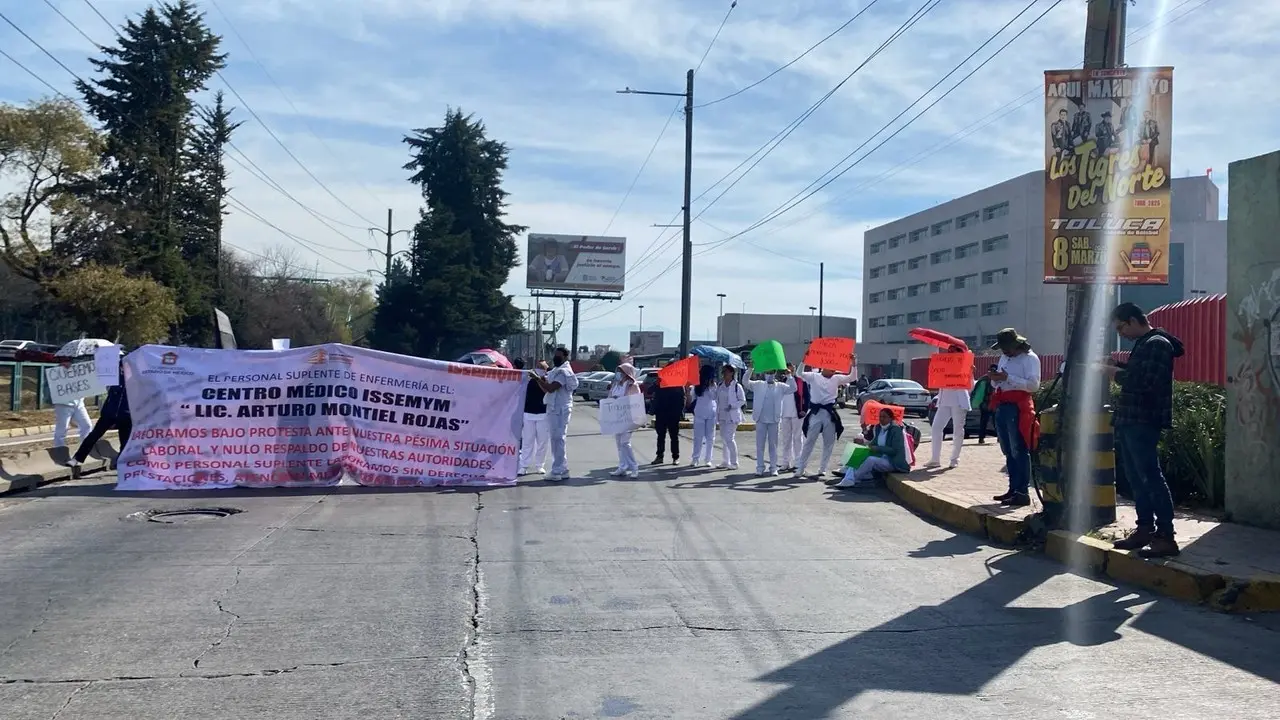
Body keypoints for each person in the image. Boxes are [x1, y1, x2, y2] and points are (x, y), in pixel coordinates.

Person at [1103, 302, 1185, 558]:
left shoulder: (1157, 344)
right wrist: (1117, 366)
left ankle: (1165, 535)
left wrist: (1113, 373)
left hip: (1143, 420)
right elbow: (1139, 373)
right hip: (1131, 419)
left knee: (1150, 477)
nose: (1121, 334)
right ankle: (1145, 528)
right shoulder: (1145, 344)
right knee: (1137, 478)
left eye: (1120, 328)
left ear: (1132, 320)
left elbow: (1145, 382)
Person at [988, 329, 1041, 507]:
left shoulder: (1030, 359)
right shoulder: (1004, 358)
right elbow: (999, 382)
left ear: (1015, 344)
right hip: (1003, 403)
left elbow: (1033, 385)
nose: (1004, 352)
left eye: (1006, 348)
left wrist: (1008, 377)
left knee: (1019, 449)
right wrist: (995, 379)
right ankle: (1013, 488)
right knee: (1008, 450)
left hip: (1019, 406)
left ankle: (1022, 491)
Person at [793, 358, 857, 478]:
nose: (833, 370)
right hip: (816, 413)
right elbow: (799, 374)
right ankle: (800, 468)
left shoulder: (836, 378)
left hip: (829, 413)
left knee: (829, 442)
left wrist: (853, 364)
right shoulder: (814, 376)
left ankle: (822, 468)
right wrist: (804, 361)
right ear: (824, 367)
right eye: (831, 367)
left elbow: (852, 377)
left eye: (834, 368)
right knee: (809, 441)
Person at [70, 358, 131, 467]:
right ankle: (77, 458)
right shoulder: (113, 378)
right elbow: (96, 375)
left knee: (125, 441)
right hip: (109, 413)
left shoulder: (137, 381)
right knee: (93, 436)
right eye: (122, 366)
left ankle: (120, 463)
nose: (123, 368)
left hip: (126, 415)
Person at [741, 365, 797, 477]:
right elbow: (745, 382)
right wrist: (750, 369)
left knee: (773, 445)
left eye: (771, 372)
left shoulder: (781, 386)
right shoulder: (758, 384)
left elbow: (793, 388)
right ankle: (760, 467)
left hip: (774, 420)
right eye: (767, 372)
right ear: (764, 374)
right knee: (760, 445)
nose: (769, 375)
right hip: (760, 419)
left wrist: (789, 375)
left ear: (775, 373)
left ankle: (773, 468)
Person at [835, 407, 911, 488]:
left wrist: (877, 448)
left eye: (884, 417)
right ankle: (848, 477)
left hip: (892, 461)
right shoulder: (878, 428)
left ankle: (852, 478)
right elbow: (873, 443)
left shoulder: (896, 430)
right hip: (880, 456)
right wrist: (864, 443)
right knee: (858, 452)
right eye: (880, 416)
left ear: (890, 418)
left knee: (871, 460)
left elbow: (895, 450)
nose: (881, 419)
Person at [533, 346, 578, 482]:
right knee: (557, 439)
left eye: (558, 355)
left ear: (565, 357)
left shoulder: (564, 372)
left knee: (558, 439)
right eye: (555, 355)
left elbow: (551, 388)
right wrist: (539, 379)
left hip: (560, 409)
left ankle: (557, 470)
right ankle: (562, 468)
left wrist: (537, 378)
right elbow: (546, 388)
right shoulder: (556, 370)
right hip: (554, 408)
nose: (555, 357)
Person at [926, 345, 972, 469]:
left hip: (959, 401)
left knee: (958, 430)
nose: (951, 353)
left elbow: (970, 386)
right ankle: (935, 459)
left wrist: (969, 371)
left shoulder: (966, 365)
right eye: (949, 351)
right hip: (944, 401)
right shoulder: (944, 364)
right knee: (936, 428)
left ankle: (954, 459)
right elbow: (937, 381)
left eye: (954, 351)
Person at [515, 359, 549, 475]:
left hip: (543, 414)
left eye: (542, 367)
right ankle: (524, 465)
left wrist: (539, 378)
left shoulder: (547, 379)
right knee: (527, 441)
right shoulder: (528, 378)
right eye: (538, 366)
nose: (540, 368)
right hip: (528, 413)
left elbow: (547, 390)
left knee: (542, 442)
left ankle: (540, 465)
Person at [607, 364, 642, 478]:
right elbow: (609, 397)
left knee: (625, 443)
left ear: (627, 373)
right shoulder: (616, 385)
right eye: (618, 371)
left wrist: (620, 400)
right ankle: (622, 466)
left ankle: (634, 467)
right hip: (617, 417)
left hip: (629, 417)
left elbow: (635, 401)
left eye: (621, 371)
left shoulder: (633, 385)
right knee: (619, 442)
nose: (619, 374)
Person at [650, 362, 686, 465]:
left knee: (674, 436)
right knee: (660, 435)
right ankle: (659, 456)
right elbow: (649, 390)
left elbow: (682, 397)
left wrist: (680, 412)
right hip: (661, 412)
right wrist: (657, 383)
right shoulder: (660, 380)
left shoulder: (678, 382)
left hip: (673, 413)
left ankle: (675, 457)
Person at [713, 364, 746, 469]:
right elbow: (715, 398)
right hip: (722, 415)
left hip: (732, 415)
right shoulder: (720, 385)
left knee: (729, 438)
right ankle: (725, 461)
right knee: (724, 439)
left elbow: (742, 400)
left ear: (732, 373)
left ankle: (734, 462)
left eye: (727, 372)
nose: (725, 374)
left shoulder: (737, 386)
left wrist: (733, 405)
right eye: (723, 372)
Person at [778, 362, 807, 472]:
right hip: (784, 414)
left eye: (792, 368)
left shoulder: (800, 380)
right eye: (788, 368)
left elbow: (806, 396)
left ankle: (798, 462)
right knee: (786, 439)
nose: (790, 370)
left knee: (797, 438)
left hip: (797, 414)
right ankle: (786, 462)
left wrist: (804, 409)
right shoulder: (782, 382)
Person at [689, 365, 718, 467]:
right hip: (700, 413)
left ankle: (708, 459)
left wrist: (710, 387)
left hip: (711, 413)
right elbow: (693, 397)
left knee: (710, 437)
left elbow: (714, 397)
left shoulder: (713, 385)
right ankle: (695, 458)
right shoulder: (697, 385)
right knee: (698, 437)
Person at [971, 364, 998, 445]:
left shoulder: (983, 379)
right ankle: (998, 438)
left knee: (985, 422)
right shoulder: (997, 379)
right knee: (995, 422)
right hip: (991, 404)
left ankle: (981, 438)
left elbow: (975, 392)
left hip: (986, 404)